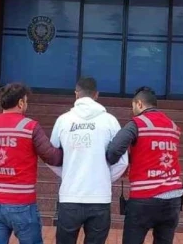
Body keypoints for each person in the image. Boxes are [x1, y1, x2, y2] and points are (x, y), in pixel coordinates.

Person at [0, 82, 63, 244]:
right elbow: (52, 157)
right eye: (26, 101)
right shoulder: (29, 127)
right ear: (21, 103)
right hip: (21, 203)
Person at [48, 77, 128, 244]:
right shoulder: (110, 121)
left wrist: (67, 174)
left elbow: (50, 157)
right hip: (99, 198)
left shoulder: (63, 120)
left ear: (76, 94)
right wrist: (104, 178)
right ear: (96, 95)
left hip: (70, 196)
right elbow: (123, 161)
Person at [106, 86, 183, 244]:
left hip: (144, 198)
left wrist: (119, 162)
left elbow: (114, 150)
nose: (133, 110)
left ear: (140, 104)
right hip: (173, 198)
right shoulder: (172, 125)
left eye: (133, 106)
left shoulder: (137, 123)